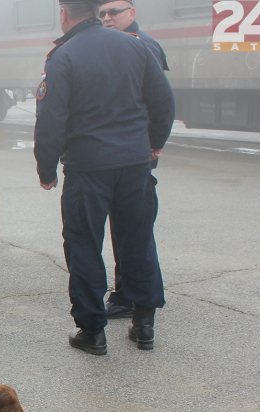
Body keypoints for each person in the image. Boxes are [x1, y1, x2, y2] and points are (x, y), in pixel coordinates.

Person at [34, 0, 174, 355]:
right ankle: (144, 326)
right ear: (97, 11)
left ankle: (92, 331)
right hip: (134, 163)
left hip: (87, 167)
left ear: (64, 13)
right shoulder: (134, 45)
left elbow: (51, 119)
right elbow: (163, 101)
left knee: (83, 245)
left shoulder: (63, 55)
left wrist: (46, 168)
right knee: (138, 240)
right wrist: (154, 143)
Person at [99, 0, 171, 319]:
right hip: (128, 148)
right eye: (101, 13)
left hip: (135, 150)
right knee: (127, 225)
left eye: (113, 12)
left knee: (134, 228)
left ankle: (130, 297)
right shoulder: (118, 44)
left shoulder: (142, 46)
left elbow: (159, 100)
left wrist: (154, 144)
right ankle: (128, 293)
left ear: (132, 14)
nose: (106, 18)